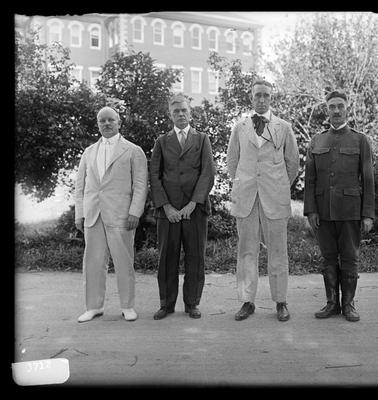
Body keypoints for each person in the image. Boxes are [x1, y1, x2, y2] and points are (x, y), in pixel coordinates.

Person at [226, 78, 300, 322]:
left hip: (274, 198)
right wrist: (246, 183)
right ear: (251, 97)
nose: (261, 99)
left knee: (278, 251)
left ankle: (281, 301)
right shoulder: (240, 128)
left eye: (265, 95)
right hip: (246, 197)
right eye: (257, 95)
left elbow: (293, 163)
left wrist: (278, 185)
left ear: (271, 98)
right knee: (246, 251)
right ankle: (247, 301)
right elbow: (232, 163)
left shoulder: (283, 127)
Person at [303, 90, 375, 322]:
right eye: (332, 106)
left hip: (350, 211)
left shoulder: (360, 140)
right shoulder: (317, 141)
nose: (336, 110)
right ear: (327, 109)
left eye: (340, 106)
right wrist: (311, 210)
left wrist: (367, 214)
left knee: (350, 258)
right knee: (328, 258)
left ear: (347, 109)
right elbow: (310, 179)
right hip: (323, 211)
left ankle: (348, 305)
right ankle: (332, 303)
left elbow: (368, 180)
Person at [74, 106, 148, 323]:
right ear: (98, 124)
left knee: (124, 261)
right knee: (93, 262)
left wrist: (135, 211)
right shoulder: (89, 152)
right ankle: (93, 307)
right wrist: (80, 213)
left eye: (110, 120)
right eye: (102, 121)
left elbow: (141, 185)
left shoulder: (133, 151)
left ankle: (127, 306)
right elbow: (80, 187)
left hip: (121, 215)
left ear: (119, 122)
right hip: (93, 214)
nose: (106, 124)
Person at [149, 93, 215, 320]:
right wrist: (166, 207)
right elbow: (154, 177)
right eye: (176, 111)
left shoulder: (202, 139)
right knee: (167, 258)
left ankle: (192, 303)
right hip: (168, 213)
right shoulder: (162, 141)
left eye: (184, 110)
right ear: (170, 115)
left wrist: (192, 204)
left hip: (194, 210)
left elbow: (208, 173)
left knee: (195, 257)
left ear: (191, 113)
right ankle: (166, 304)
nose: (180, 114)